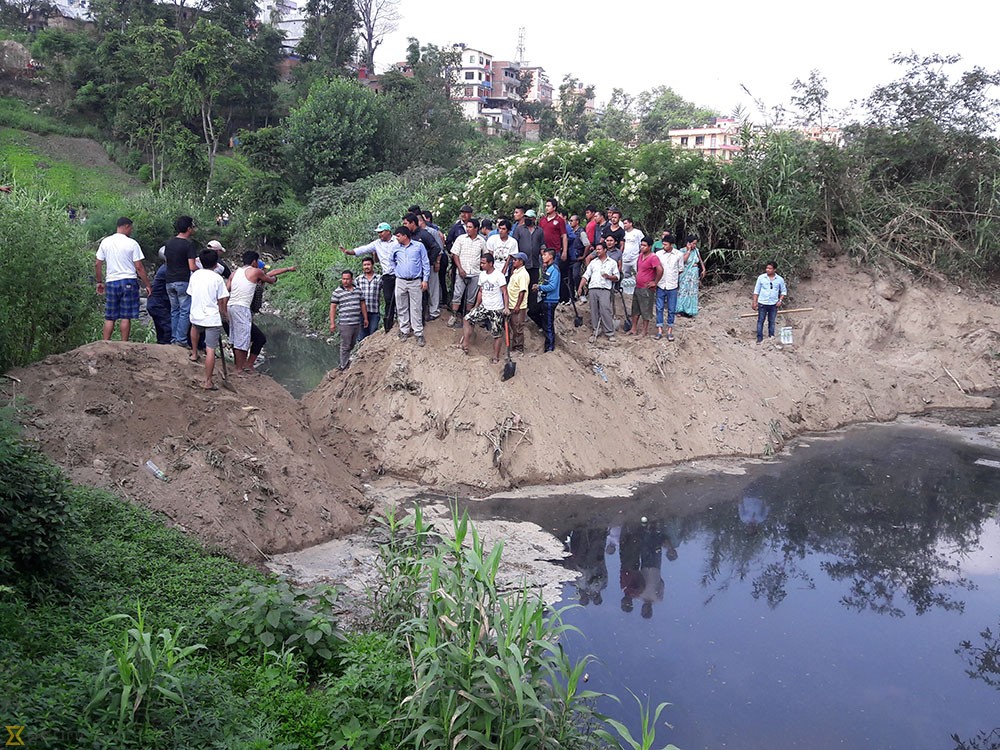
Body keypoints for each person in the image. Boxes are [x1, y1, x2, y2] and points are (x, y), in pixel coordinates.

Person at [228, 250, 294, 374]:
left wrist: (287, 269)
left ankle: (242, 366)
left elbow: (227, 289)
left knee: (238, 338)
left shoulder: (235, 273)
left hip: (231, 307)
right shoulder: (256, 273)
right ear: (254, 262)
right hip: (242, 309)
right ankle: (239, 369)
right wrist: (275, 279)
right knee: (243, 340)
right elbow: (271, 278)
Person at [94, 216, 152, 341]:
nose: (131, 231)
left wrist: (99, 282)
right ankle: (124, 344)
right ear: (126, 226)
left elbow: (98, 263)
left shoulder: (106, 242)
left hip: (111, 281)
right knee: (126, 316)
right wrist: (147, 284)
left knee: (110, 317)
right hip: (129, 281)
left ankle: (105, 343)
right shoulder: (132, 243)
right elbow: (139, 267)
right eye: (131, 228)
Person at [341, 222, 398, 333]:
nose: (379, 234)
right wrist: (349, 252)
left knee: (400, 298)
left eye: (381, 232)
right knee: (388, 299)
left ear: (388, 231)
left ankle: (401, 320)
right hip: (387, 275)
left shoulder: (397, 240)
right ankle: (389, 324)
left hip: (399, 274)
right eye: (378, 233)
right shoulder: (377, 243)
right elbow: (364, 249)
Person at [187, 248, 230, 390]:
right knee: (210, 349)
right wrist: (224, 314)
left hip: (196, 314)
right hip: (211, 318)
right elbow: (222, 299)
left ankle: (194, 353)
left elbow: (191, 293)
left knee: (195, 328)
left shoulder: (195, 275)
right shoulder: (217, 278)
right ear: (216, 264)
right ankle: (208, 382)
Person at [461, 253, 509, 362]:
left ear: (490, 263)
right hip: (484, 306)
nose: (481, 265)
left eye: (483, 263)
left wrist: (506, 307)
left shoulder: (499, 276)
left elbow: (505, 292)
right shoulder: (482, 275)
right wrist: (476, 305)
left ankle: (496, 357)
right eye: (481, 263)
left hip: (496, 308)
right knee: (467, 319)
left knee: (496, 333)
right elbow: (481, 291)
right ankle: (465, 344)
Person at [391, 226, 429, 346]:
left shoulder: (418, 246)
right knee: (401, 306)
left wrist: (425, 279)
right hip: (401, 280)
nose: (396, 238)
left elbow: (425, 263)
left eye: (398, 235)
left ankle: (418, 332)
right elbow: (391, 261)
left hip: (415, 280)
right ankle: (404, 330)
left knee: (416, 307)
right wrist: (396, 271)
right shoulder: (396, 248)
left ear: (404, 236)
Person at [163, 215, 197, 347]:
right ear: (189, 228)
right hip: (183, 280)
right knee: (185, 311)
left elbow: (167, 261)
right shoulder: (188, 244)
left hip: (169, 280)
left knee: (174, 310)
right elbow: (192, 266)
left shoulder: (169, 243)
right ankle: (181, 340)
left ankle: (174, 339)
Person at [578, 240, 619, 342]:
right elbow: (586, 275)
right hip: (593, 288)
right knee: (594, 311)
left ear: (605, 250)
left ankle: (609, 332)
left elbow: (617, 277)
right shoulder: (593, 263)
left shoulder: (612, 263)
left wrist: (609, 277)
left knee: (605, 310)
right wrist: (580, 287)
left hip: (605, 289)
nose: (597, 251)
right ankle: (596, 330)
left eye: (599, 249)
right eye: (596, 249)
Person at [448, 218, 486, 326]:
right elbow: (455, 254)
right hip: (461, 272)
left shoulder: (481, 241)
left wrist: (481, 266)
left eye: (470, 227)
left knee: (471, 297)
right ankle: (454, 315)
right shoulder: (461, 239)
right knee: (457, 294)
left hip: (475, 273)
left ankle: (468, 317)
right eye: (467, 227)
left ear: (476, 229)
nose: (468, 229)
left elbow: (486, 255)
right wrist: (460, 269)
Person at [329, 269, 368, 370]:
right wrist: (332, 323)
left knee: (352, 344)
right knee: (345, 345)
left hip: (356, 322)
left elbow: (362, 304)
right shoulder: (337, 292)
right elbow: (333, 307)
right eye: (343, 279)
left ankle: (344, 361)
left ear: (352, 279)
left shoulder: (358, 290)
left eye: (347, 279)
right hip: (345, 323)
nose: (345, 281)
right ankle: (344, 366)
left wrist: (365, 318)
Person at [512, 208, 545, 319]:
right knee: (522, 288)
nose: (527, 219)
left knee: (533, 288)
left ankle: (532, 311)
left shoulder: (539, 231)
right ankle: (522, 310)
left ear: (534, 219)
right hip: (523, 265)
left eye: (529, 218)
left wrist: (544, 258)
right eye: (526, 217)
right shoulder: (519, 229)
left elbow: (541, 245)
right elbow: (514, 245)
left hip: (535, 263)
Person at [627, 236, 661, 337]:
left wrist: (655, 282)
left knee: (646, 310)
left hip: (647, 288)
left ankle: (644, 331)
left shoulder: (653, 257)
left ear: (650, 247)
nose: (642, 247)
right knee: (635, 309)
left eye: (644, 245)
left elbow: (660, 270)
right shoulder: (640, 255)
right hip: (638, 286)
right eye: (641, 245)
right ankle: (633, 328)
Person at [654, 235, 685, 341]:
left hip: (672, 285)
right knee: (659, 308)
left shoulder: (679, 255)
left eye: (665, 244)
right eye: (663, 244)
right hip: (661, 284)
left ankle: (670, 330)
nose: (664, 246)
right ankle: (659, 330)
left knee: (671, 309)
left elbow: (681, 269)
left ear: (671, 245)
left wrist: (673, 276)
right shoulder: (658, 254)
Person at [531, 248, 561, 352]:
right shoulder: (548, 268)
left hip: (550, 300)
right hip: (545, 299)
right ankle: (543, 327)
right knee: (532, 312)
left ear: (551, 256)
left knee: (549, 324)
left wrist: (539, 287)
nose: (543, 256)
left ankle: (550, 348)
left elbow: (552, 286)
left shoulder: (554, 269)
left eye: (545, 255)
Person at [752, 260, 788, 343]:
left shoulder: (779, 279)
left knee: (771, 321)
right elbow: (756, 291)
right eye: (767, 268)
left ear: (774, 270)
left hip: (773, 304)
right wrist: (754, 302)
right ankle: (759, 339)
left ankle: (771, 338)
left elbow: (783, 291)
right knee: (760, 321)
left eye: (770, 268)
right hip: (762, 303)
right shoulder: (761, 278)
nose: (767, 270)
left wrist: (780, 300)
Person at [676, 234, 706, 317]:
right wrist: (688, 250)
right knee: (683, 291)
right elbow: (683, 261)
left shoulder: (696, 250)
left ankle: (690, 310)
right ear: (688, 243)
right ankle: (680, 310)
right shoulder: (681, 251)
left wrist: (703, 269)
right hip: (685, 274)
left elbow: (700, 260)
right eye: (693, 243)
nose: (694, 245)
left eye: (695, 244)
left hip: (694, 274)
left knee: (692, 291)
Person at [506, 252, 530, 353]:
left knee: (518, 327)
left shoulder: (523, 274)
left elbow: (522, 291)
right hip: (511, 304)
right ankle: (514, 347)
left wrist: (517, 306)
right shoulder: (516, 272)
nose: (513, 261)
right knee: (513, 327)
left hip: (518, 306)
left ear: (521, 262)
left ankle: (518, 348)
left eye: (515, 260)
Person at [145, 263, 172, 344]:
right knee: (168, 327)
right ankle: (167, 346)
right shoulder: (167, 269)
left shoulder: (164, 268)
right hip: (159, 304)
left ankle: (161, 345)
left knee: (160, 329)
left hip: (155, 303)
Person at [357, 257, 383, 340]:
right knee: (361, 336)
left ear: (372, 265)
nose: (366, 267)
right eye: (364, 265)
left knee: (373, 335)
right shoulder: (358, 280)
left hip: (374, 312)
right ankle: (360, 352)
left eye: (368, 264)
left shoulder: (379, 278)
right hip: (360, 312)